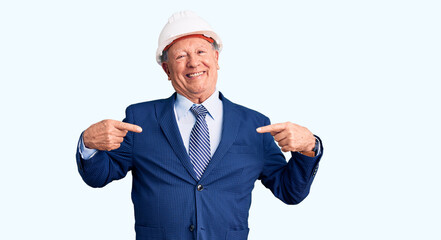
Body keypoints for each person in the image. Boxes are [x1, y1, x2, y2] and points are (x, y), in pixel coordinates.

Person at [76, 10, 323, 240]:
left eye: (201, 52)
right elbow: (99, 177)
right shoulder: (140, 118)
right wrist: (88, 144)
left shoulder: (255, 125)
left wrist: (308, 148)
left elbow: (290, 191)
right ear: (167, 70)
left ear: (216, 58)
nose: (193, 63)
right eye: (181, 56)